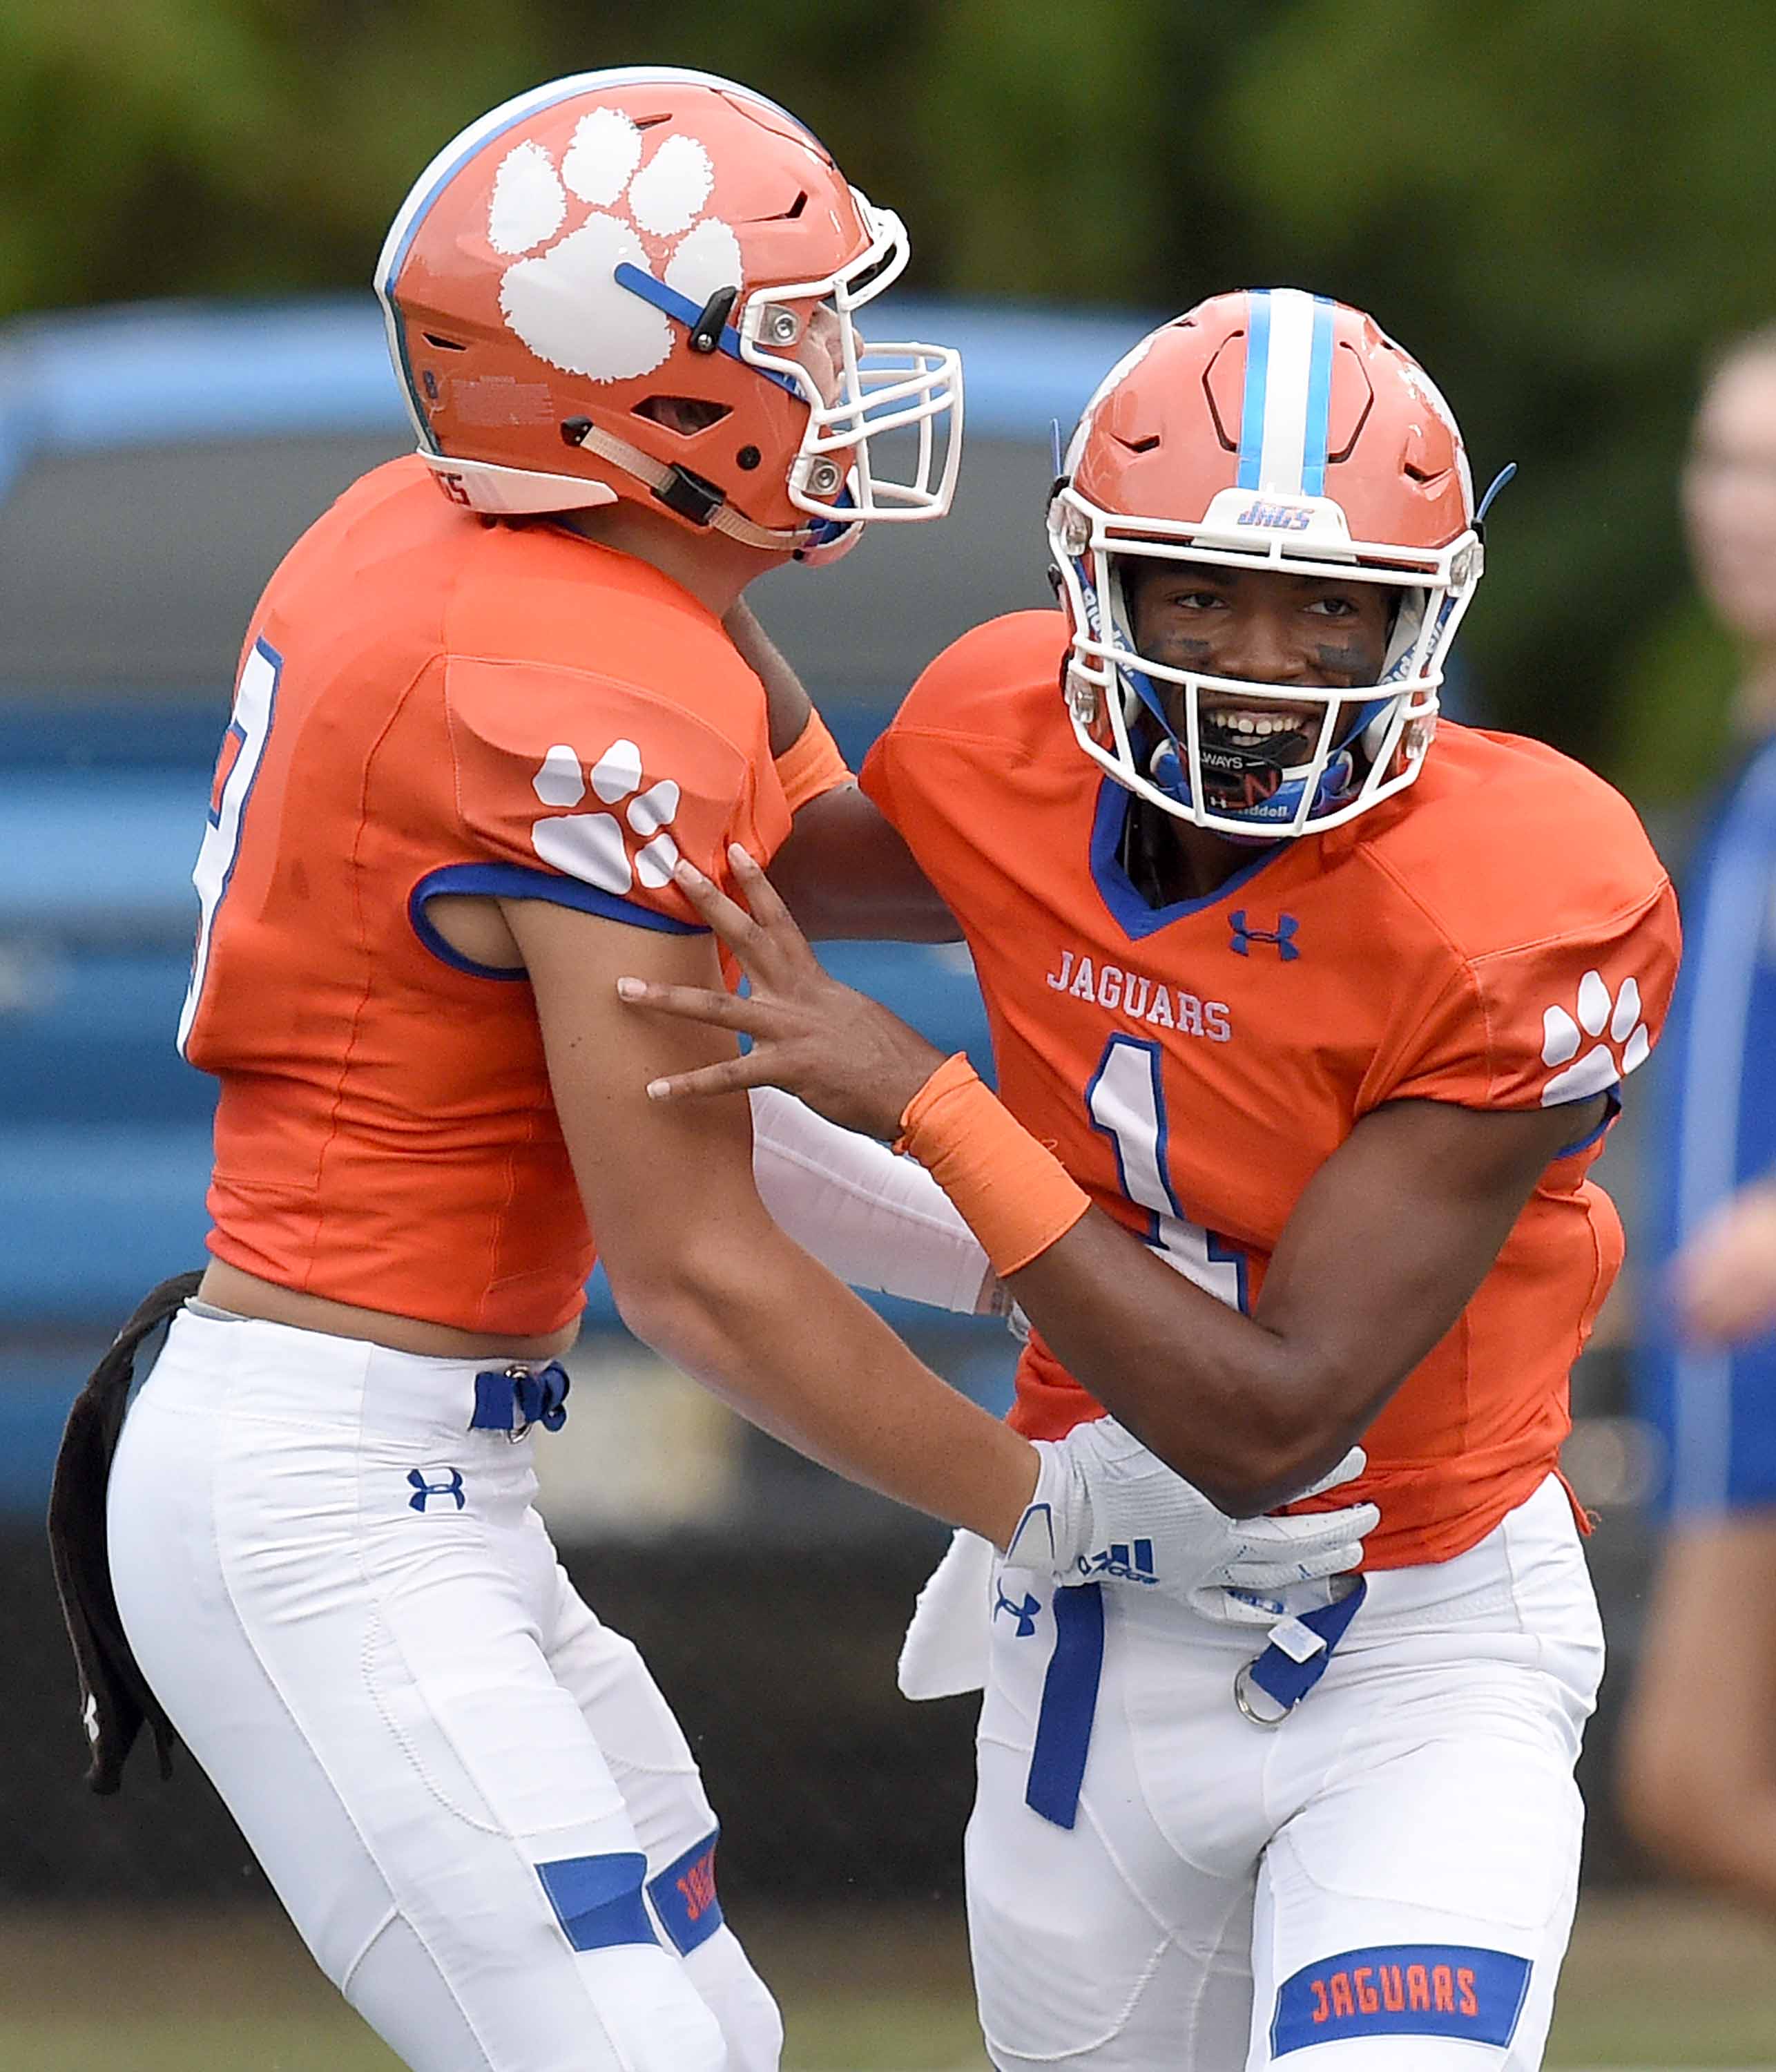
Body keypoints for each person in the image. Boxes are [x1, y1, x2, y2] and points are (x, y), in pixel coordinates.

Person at [47, 77, 1380, 2072]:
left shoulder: (486, 554)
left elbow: (712, 1088)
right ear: (630, 379)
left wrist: (1062, 1279)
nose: (847, 371)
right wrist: (1054, 1509)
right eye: (800, 328)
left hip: (396, 1469)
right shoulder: (581, 678)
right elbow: (697, 1263)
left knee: (716, 2039)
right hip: (319, 1491)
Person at [621, 289, 1685, 2070]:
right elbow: (784, 847)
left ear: (1419, 620)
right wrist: (635, 531)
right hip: (1102, 1631)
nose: (1255, 661)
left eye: (1328, 606)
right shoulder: (991, 736)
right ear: (1090, 584)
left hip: (1411, 1620)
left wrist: (930, 1107)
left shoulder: (1531, 893)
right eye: (1197, 588)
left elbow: (1272, 1427)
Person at [1619, 323, 1776, 1908]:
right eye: (1722, 459)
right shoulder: (1746, 753)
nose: (1739, 503)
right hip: (1725, 1393)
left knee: (1692, 1779)